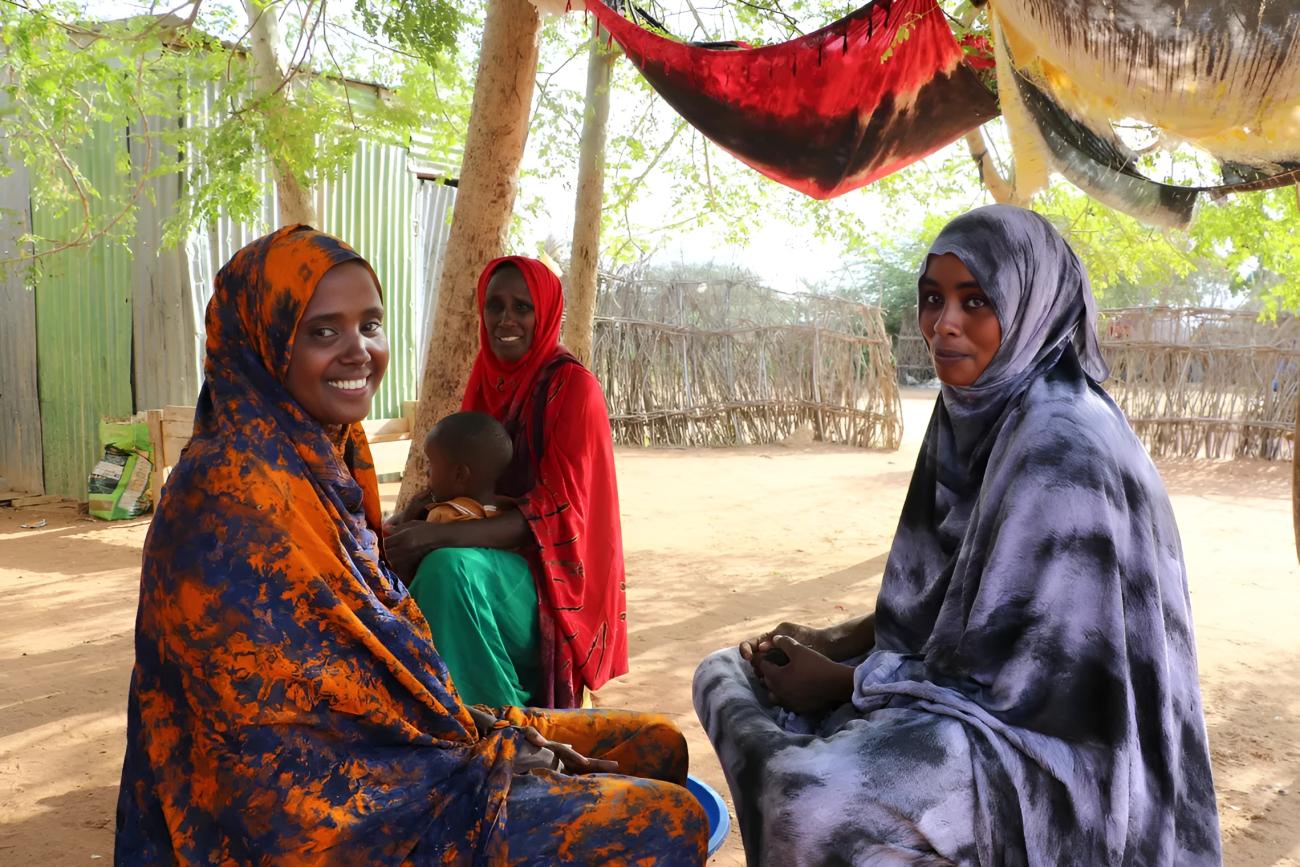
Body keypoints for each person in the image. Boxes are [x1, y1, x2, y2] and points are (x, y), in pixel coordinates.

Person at [115, 226, 707, 864]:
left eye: (370, 325)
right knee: (668, 817)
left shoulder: (326, 456)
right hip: (321, 812)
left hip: (417, 719)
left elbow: (366, 663)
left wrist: (478, 729)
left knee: (657, 742)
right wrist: (480, 758)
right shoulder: (232, 491)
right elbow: (283, 736)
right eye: (322, 331)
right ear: (263, 344)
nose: (358, 351)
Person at [693, 205, 1221, 866]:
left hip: (1066, 755)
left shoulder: (1062, 443)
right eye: (932, 299)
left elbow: (1024, 686)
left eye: (976, 301)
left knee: (810, 802)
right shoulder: (979, 411)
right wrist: (837, 639)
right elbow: (953, 591)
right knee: (722, 676)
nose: (944, 323)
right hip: (976, 696)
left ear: (1032, 307)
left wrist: (842, 685)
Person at [387, 256, 628, 709]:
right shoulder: (488, 378)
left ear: (546, 314)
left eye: (522, 307)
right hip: (494, 561)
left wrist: (436, 536)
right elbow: (465, 476)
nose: (506, 320)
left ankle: (505, 728)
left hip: (550, 583)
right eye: (494, 306)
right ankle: (430, 713)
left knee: (447, 570)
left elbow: (557, 518)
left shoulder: (573, 390)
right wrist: (412, 520)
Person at [405, 411, 542, 707]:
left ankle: (469, 706)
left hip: (515, 618)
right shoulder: (504, 513)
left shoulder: (443, 517)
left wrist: (408, 520)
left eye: (431, 466)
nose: (427, 476)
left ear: (459, 475)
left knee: (442, 571)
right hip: (522, 613)